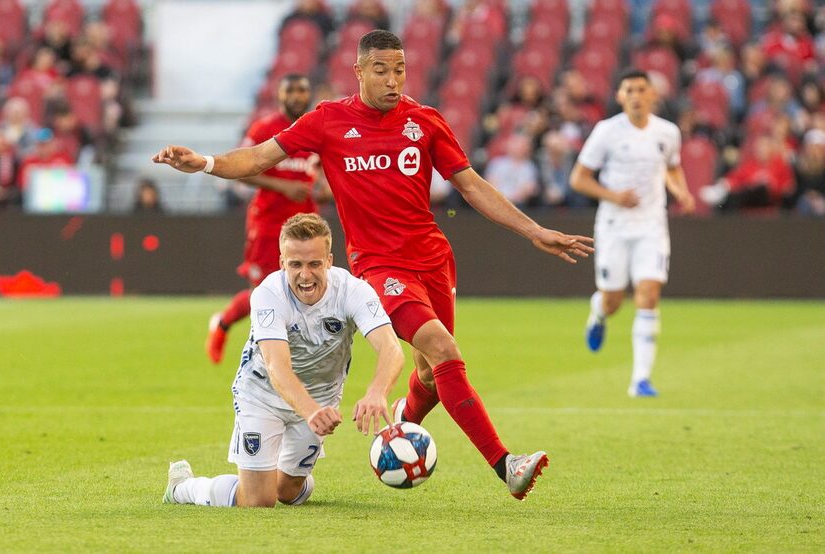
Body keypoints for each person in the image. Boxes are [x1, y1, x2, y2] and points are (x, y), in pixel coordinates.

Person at [154, 29, 594, 500]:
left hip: (434, 261)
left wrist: (535, 232)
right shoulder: (328, 120)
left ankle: (406, 420)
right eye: (381, 70)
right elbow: (260, 158)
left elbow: (470, 185)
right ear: (359, 71)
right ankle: (507, 465)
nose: (392, 80)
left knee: (430, 372)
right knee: (444, 350)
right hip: (380, 268)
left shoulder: (424, 122)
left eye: (400, 69)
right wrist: (203, 162)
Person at [163, 213, 404, 508]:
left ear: (329, 261)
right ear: (282, 264)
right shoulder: (268, 294)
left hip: (321, 396)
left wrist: (377, 391)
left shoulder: (354, 291)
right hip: (263, 393)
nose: (305, 275)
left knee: (288, 492)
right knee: (258, 500)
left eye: (314, 264)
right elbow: (277, 367)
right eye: (296, 265)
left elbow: (391, 348)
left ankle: (286, 477)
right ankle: (183, 487)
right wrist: (311, 411)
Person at [570, 68, 695, 398]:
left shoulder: (667, 133)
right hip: (614, 225)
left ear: (654, 95)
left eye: (642, 89)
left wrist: (681, 191)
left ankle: (640, 379)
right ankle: (598, 314)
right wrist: (615, 196)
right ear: (620, 96)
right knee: (613, 300)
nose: (636, 95)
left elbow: (671, 166)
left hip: (652, 225)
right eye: (630, 90)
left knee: (649, 295)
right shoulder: (606, 132)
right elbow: (579, 179)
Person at [206, 74, 329, 364]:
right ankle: (223, 323)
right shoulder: (264, 128)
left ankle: (302, 355)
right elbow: (242, 170)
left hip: (307, 225)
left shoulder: (316, 130)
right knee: (261, 291)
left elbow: (324, 176)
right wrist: (283, 186)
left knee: (310, 285)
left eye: (303, 90)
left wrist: (325, 190)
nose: (297, 96)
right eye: (291, 90)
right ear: (280, 95)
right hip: (269, 222)